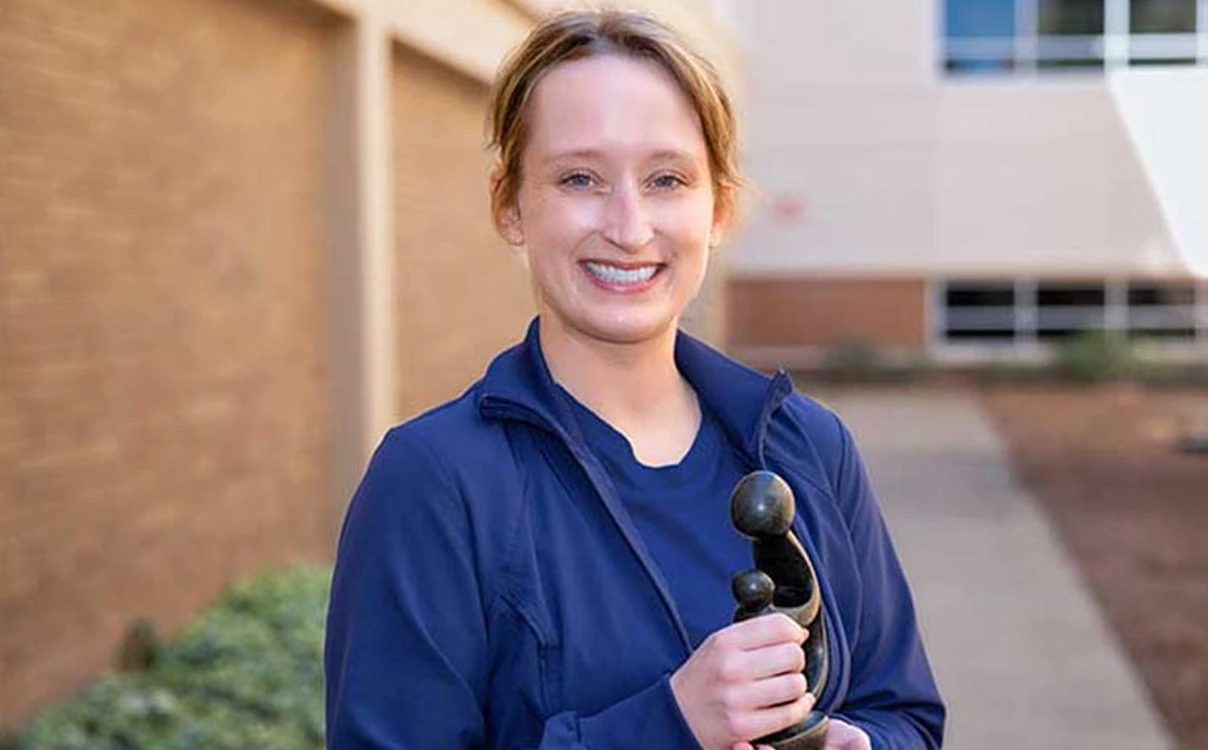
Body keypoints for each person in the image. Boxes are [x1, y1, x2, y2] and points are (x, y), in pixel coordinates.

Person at [323, 9, 945, 750]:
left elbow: (904, 713)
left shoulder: (808, 445)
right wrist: (671, 724)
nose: (629, 225)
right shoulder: (435, 483)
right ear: (510, 205)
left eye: (667, 179)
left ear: (718, 207)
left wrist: (862, 744)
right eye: (580, 178)